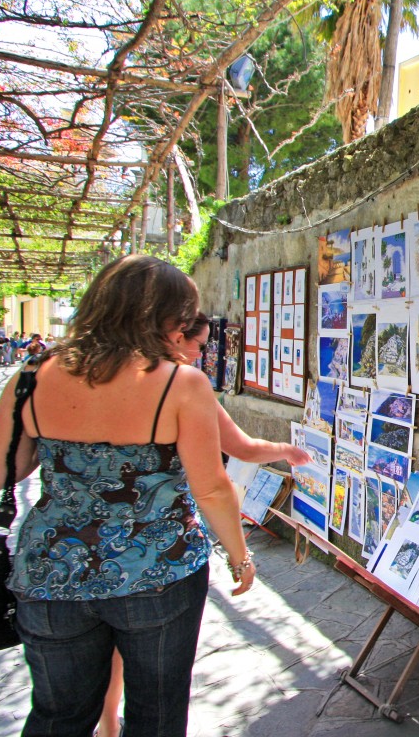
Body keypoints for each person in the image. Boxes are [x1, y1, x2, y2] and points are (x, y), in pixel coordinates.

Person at [0, 255, 255, 736]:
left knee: (58, 715)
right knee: (158, 714)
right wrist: (239, 558)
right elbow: (210, 486)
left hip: (51, 574)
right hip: (157, 572)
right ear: (166, 319)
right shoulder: (180, 383)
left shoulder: (33, 376)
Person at [95, 311, 310, 737]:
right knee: (158, 695)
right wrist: (239, 557)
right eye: (198, 344)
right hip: (157, 558)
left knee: (88, 676)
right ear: (175, 337)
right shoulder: (183, 387)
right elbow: (217, 479)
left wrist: (286, 447)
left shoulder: (81, 375)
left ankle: (106, 726)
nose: (201, 353)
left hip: (77, 555)